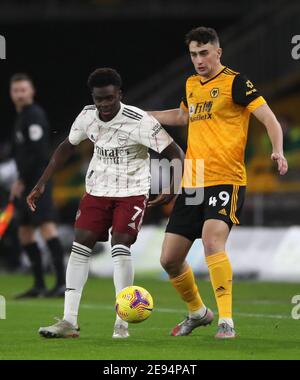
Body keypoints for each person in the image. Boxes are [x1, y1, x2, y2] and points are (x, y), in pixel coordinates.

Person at [149, 26, 288, 339]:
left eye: (204, 53)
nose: (199, 60)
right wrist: (146, 115)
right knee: (169, 259)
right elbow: (184, 117)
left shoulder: (236, 83)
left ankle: (226, 320)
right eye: (194, 54)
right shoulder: (190, 84)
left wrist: (277, 150)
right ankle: (198, 313)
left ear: (218, 52)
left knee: (213, 241)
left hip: (226, 176)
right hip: (194, 176)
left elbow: (268, 118)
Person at [26, 68, 184, 339]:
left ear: (119, 94)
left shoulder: (140, 121)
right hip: (97, 190)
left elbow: (175, 152)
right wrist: (42, 182)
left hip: (132, 191)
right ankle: (69, 321)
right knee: (80, 246)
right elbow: (66, 146)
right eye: (99, 99)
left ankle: (121, 322)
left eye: (109, 98)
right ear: (93, 97)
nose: (104, 105)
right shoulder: (88, 116)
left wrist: (173, 185)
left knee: (120, 245)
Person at [9, 73, 66, 298]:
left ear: (31, 91)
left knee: (46, 226)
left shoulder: (34, 116)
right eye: (16, 91)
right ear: (11, 94)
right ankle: (39, 284)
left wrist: (24, 180)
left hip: (37, 182)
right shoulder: (21, 117)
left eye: (24, 90)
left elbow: (39, 153)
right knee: (24, 231)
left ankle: (62, 283)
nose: (20, 94)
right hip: (26, 181)